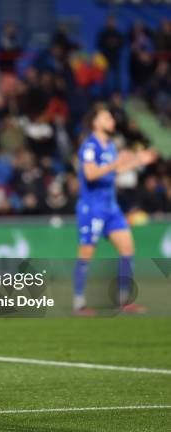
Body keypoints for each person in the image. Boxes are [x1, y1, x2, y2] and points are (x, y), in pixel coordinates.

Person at [73, 105, 157, 316]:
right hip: (92, 207)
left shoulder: (109, 145)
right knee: (86, 254)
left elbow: (114, 170)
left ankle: (123, 300)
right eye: (106, 117)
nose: (112, 120)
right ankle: (79, 303)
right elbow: (91, 174)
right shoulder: (90, 146)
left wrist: (137, 161)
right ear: (95, 122)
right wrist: (117, 163)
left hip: (111, 208)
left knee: (127, 248)